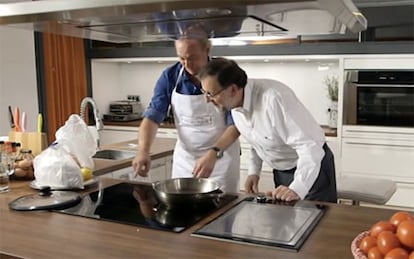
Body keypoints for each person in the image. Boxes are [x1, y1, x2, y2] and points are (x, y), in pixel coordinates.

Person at [197, 58, 337, 203]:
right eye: (204, 92)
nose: (207, 100)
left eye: (211, 94)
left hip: (312, 169)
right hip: (282, 171)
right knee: (290, 221)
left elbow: (309, 146)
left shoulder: (274, 99)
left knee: (319, 222)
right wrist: (254, 172)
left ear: (232, 89)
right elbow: (256, 139)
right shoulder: (234, 104)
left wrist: (297, 188)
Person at [131, 27, 240, 193]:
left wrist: (213, 153)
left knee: (220, 212)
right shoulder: (170, 76)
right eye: (182, 58)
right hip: (185, 161)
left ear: (207, 49)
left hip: (221, 160)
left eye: (192, 58)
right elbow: (152, 118)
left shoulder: (225, 74)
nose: (187, 65)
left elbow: (237, 124)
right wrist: (143, 150)